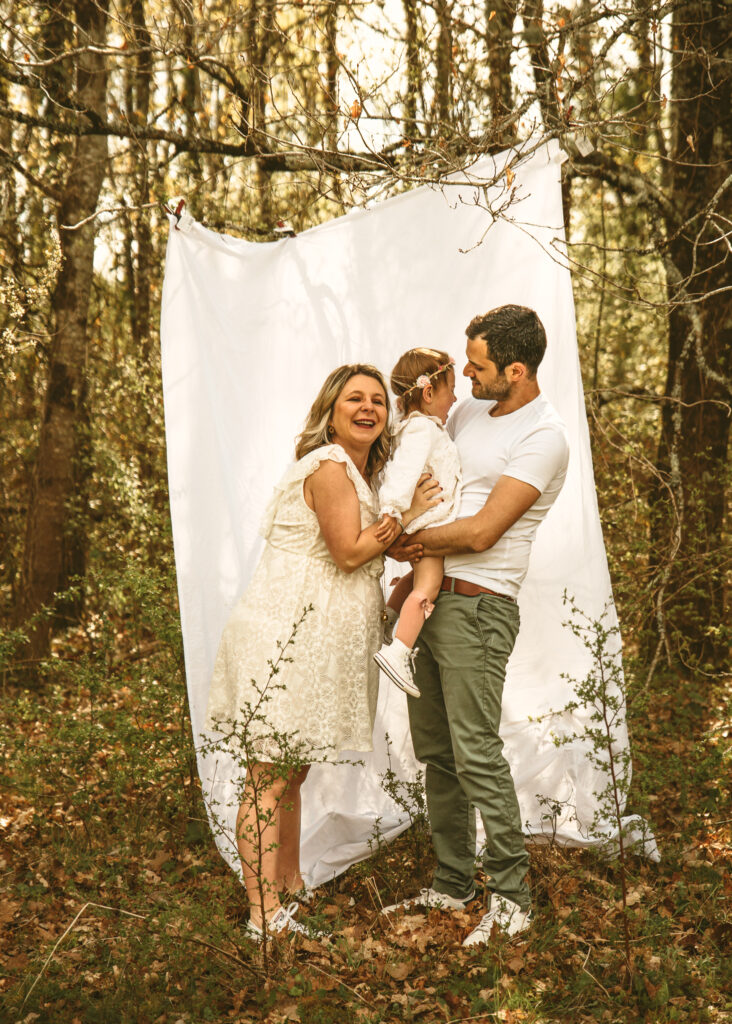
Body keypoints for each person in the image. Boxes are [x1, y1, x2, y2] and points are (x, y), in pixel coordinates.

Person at [205, 364, 437, 943]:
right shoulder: (331, 466)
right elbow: (350, 553)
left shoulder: (359, 474)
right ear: (330, 411)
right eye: (353, 398)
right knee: (269, 777)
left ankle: (286, 898)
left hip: (312, 639)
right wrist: (406, 516)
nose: (367, 408)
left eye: (377, 400)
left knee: (293, 772)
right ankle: (263, 920)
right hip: (286, 635)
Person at [385, 305, 569, 947]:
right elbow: (432, 480)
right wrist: (412, 569)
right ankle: (454, 879)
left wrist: (410, 545)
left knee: (476, 750)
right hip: (432, 602)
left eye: (479, 365)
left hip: (481, 606)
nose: (465, 375)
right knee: (437, 750)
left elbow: (486, 528)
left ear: (516, 371)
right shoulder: (463, 412)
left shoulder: (543, 438)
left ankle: (513, 898)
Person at [373, 348, 461, 698]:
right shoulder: (422, 429)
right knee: (428, 588)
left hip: (426, 520)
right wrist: (392, 510)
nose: (455, 397)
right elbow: (403, 473)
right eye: (450, 389)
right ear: (428, 393)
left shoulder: (413, 428)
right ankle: (399, 651)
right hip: (428, 522)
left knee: (413, 579)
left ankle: (388, 621)